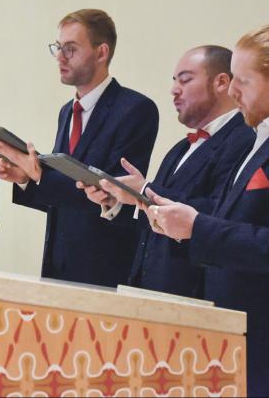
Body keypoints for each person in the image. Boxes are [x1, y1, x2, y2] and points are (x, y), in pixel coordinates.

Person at [145, 24, 269, 397]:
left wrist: (198, 227)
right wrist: (183, 223)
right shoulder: (263, 137)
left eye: (243, 81)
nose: (232, 91)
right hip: (236, 335)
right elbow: (232, 218)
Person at [0, 9, 158, 287]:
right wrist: (26, 179)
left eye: (70, 49)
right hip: (58, 262)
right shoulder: (67, 111)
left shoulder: (135, 109)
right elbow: (63, 193)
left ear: (101, 52)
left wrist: (38, 174)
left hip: (105, 266)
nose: (60, 57)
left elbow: (111, 193)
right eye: (57, 47)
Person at [79, 45, 255, 297]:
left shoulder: (244, 139)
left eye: (185, 80)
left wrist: (145, 191)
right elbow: (155, 217)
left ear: (222, 82)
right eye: (174, 81)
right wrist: (119, 199)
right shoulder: (180, 148)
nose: (174, 90)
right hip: (151, 289)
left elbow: (222, 212)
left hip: (196, 294)